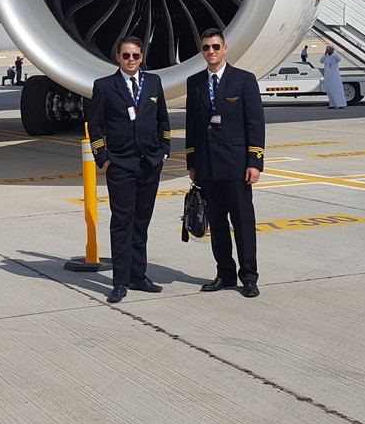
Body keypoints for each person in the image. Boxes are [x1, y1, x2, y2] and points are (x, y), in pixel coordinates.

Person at [86, 36, 170, 304]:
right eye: (126, 55)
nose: (131, 60)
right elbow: (95, 125)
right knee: (122, 223)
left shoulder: (153, 82)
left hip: (149, 163)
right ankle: (120, 281)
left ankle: (138, 276)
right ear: (118, 58)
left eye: (135, 55)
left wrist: (164, 150)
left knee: (141, 223)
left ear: (141, 57)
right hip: (121, 164)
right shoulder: (104, 86)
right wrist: (103, 158)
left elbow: (163, 119)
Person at [185, 28, 265, 298]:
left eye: (216, 47)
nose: (211, 51)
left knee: (243, 223)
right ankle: (225, 274)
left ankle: (249, 276)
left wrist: (254, 162)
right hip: (207, 166)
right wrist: (192, 162)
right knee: (217, 225)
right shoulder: (195, 82)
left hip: (236, 166)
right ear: (202, 51)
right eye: (206, 47)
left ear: (225, 49)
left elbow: (255, 123)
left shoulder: (244, 80)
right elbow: (192, 125)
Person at [322, 45, 347, 109]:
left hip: (334, 76)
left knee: (336, 89)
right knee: (330, 90)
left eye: (329, 49)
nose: (328, 50)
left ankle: (340, 104)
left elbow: (339, 59)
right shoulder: (326, 57)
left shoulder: (334, 56)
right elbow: (321, 61)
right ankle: (332, 104)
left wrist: (332, 53)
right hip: (328, 75)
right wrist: (325, 53)